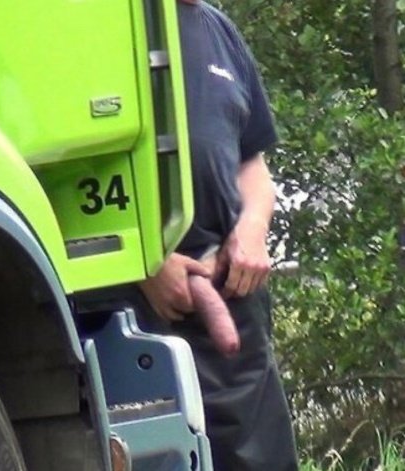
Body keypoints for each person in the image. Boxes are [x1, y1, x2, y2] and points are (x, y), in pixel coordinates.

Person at [133, 1, 299, 470]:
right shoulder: (94, 22)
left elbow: (253, 164)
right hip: (131, 309)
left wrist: (252, 230)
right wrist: (145, 261)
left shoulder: (217, 30)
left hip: (231, 298)